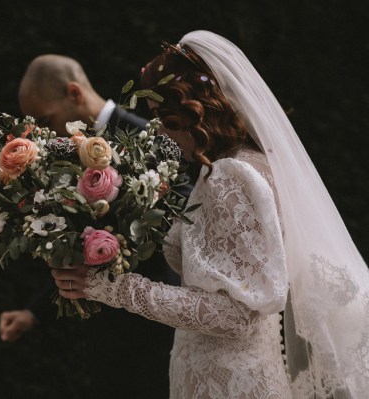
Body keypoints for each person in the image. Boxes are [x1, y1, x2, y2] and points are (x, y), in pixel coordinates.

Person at [52, 30, 369, 398]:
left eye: (168, 121)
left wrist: (110, 288)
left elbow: (237, 316)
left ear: (199, 112)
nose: (167, 136)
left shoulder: (229, 177)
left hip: (228, 382)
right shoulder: (248, 165)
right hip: (222, 372)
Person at [0, 54, 184, 398]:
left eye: (45, 118)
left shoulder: (151, 138)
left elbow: (188, 225)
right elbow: (74, 245)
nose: (44, 132)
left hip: (160, 329)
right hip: (104, 334)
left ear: (73, 92)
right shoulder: (61, 150)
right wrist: (33, 311)